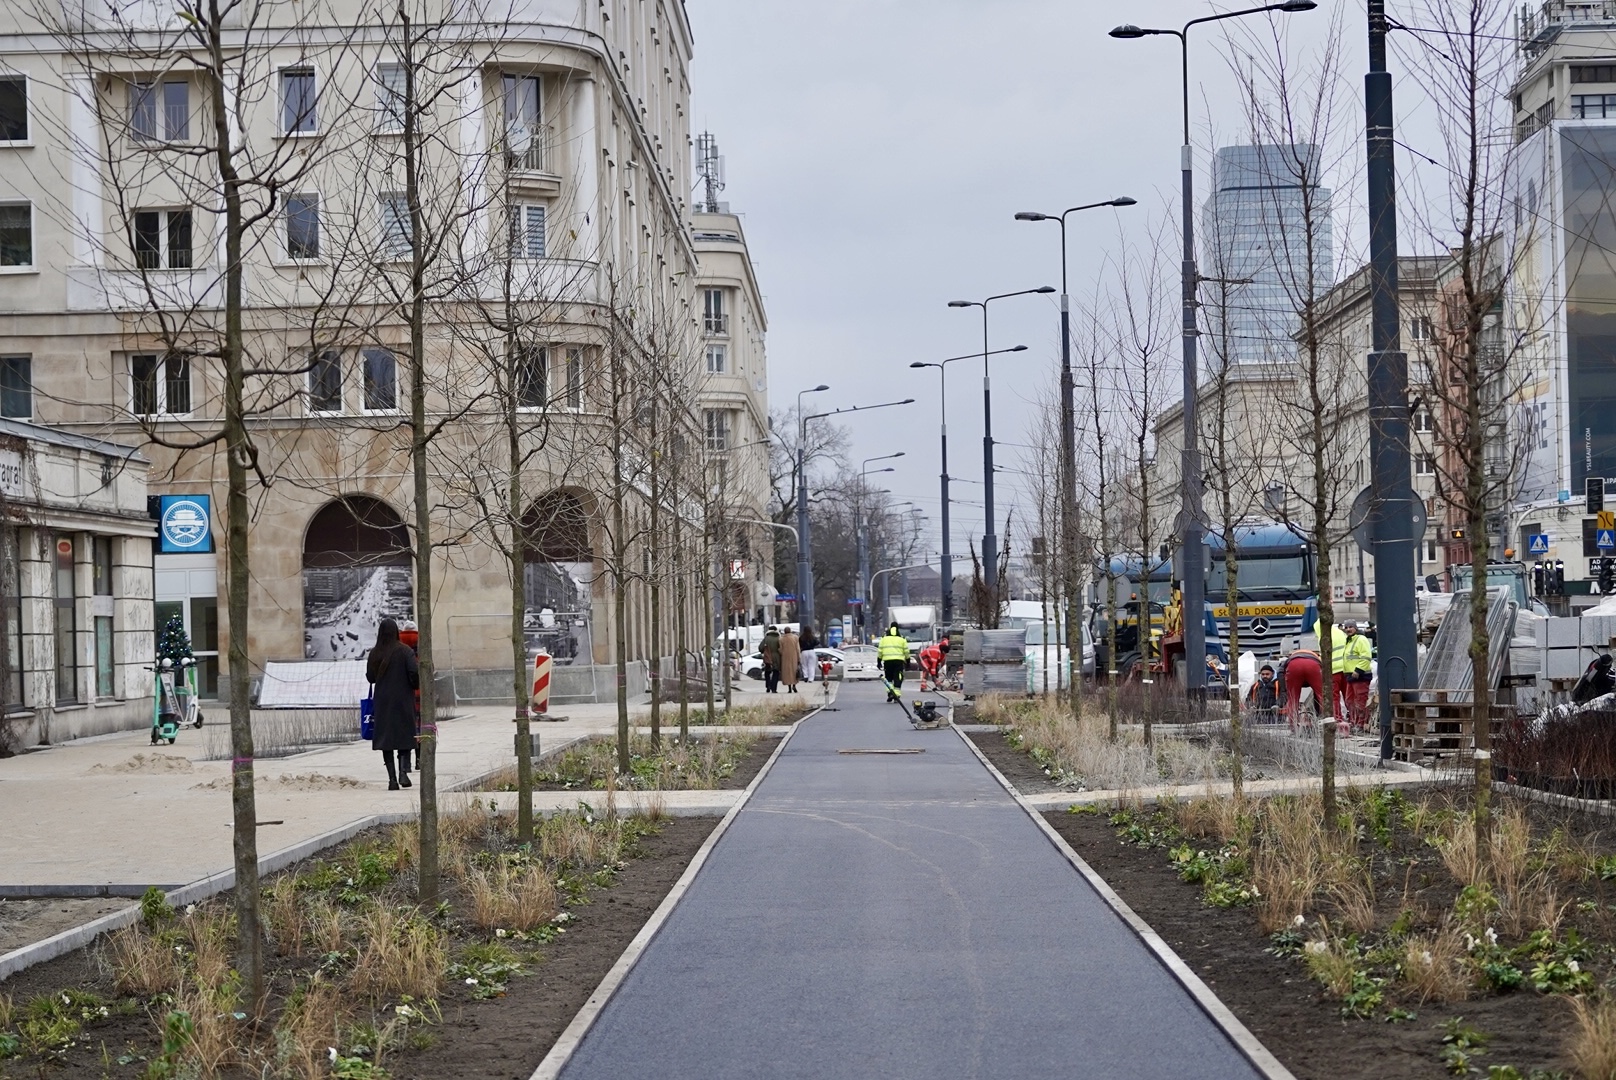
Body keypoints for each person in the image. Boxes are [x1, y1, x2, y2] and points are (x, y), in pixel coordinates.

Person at [366, 618, 419, 791]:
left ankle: (392, 780)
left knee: (386, 738)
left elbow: (370, 677)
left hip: (383, 700)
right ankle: (404, 772)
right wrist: (414, 685)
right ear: (397, 631)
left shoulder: (374, 653)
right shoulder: (405, 651)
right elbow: (413, 673)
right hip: (403, 698)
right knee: (404, 734)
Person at [1341, 621, 1374, 731]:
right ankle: (1354, 722)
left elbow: (1366, 656)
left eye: (1350, 627)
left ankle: (1361, 724)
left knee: (1360, 701)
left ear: (1355, 628)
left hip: (1360, 676)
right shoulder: (1350, 641)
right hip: (1351, 676)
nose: (1348, 629)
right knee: (1349, 700)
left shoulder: (1360, 639)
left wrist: (1358, 671)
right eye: (1346, 627)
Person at [1279, 648, 1322, 731]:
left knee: (1293, 699)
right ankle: (1327, 722)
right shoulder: (1318, 657)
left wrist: (1284, 690)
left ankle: (1293, 726)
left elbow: (1280, 672)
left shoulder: (1289, 658)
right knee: (1322, 696)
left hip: (1294, 665)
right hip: (1313, 665)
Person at [878, 622, 910, 702]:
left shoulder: (883, 639)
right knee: (898, 678)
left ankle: (890, 693)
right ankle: (897, 695)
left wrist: (879, 661)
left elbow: (880, 651)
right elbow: (906, 651)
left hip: (887, 662)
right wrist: (908, 661)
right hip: (898, 662)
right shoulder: (902, 639)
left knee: (888, 678)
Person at [778, 627, 802, 694]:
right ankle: (794, 685)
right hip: (794, 657)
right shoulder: (795, 638)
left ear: (785, 632)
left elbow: (780, 650)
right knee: (794, 672)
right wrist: (799, 658)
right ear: (790, 631)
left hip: (785, 658)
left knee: (787, 673)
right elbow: (798, 649)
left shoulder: (781, 639)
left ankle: (789, 688)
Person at [760, 626, 782, 694]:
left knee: (767, 672)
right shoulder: (779, 638)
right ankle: (774, 688)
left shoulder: (766, 638)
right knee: (776, 672)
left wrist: (764, 651)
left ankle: (768, 685)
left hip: (767, 657)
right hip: (776, 657)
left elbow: (760, 648)